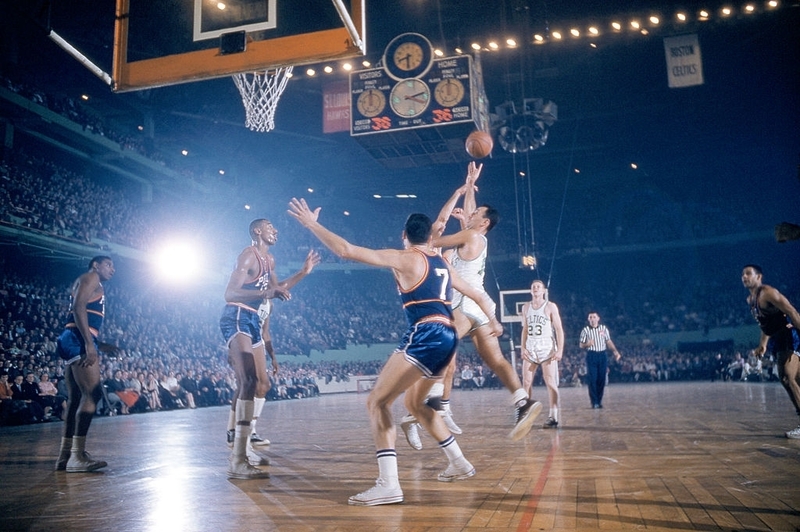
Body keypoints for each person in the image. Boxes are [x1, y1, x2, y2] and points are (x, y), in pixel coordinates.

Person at [288, 197, 503, 506]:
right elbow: (477, 293)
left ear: (405, 235)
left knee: (377, 402)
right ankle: (458, 462)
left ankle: (388, 484)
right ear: (430, 237)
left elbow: (346, 250)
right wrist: (493, 320)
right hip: (449, 336)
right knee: (417, 404)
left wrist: (311, 224)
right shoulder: (442, 262)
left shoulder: (405, 258)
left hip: (427, 332)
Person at [220, 218, 318, 479]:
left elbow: (276, 289)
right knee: (248, 380)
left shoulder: (270, 260)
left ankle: (244, 446)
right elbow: (230, 294)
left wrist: (303, 273)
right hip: (238, 315)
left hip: (253, 319)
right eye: (270, 227)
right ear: (257, 231)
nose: (275, 230)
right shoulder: (248, 256)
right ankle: (237, 456)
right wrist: (264, 295)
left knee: (262, 382)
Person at [54, 255, 118, 472]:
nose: (113, 269)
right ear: (95, 265)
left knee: (75, 399)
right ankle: (78, 456)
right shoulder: (91, 278)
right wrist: (90, 344)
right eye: (108, 264)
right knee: (93, 394)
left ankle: (65, 455)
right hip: (78, 338)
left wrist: (101, 343)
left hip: (74, 336)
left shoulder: (90, 281)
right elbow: (78, 306)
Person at [742, 264, 800, 439]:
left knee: (787, 377)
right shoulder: (750, 300)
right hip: (777, 339)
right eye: (742, 274)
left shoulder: (767, 293)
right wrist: (763, 345)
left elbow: (791, 310)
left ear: (759, 276)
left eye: (748, 273)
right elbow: (766, 325)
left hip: (790, 335)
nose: (744, 277)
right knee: (794, 379)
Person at [520, 279, 565, 428]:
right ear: (530, 290)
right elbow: (525, 329)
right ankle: (525, 414)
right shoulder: (526, 307)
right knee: (526, 382)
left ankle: (553, 416)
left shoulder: (550, 306)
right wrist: (523, 347)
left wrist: (560, 350)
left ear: (544, 291)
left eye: (538, 287)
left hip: (547, 348)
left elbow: (558, 329)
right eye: (533, 287)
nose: (536, 289)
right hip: (531, 347)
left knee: (550, 381)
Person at [579, 312, 622, 409]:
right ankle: (594, 402)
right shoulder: (585, 330)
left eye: (594, 317)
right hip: (592, 355)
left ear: (598, 318)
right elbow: (581, 344)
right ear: (588, 319)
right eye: (590, 317)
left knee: (601, 379)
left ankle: (599, 400)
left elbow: (608, 341)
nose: (592, 319)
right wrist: (587, 344)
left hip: (602, 355)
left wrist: (615, 352)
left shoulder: (603, 329)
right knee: (593, 379)